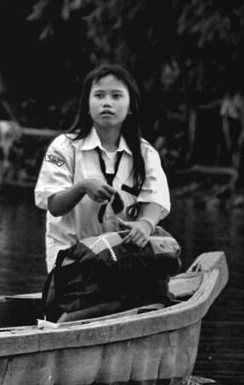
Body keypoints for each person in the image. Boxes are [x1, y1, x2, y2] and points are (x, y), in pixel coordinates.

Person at [34, 64, 171, 272]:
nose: (107, 103)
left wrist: (144, 225)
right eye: (99, 96)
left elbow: (155, 199)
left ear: (131, 106)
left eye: (116, 96)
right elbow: (54, 205)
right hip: (72, 260)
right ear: (87, 106)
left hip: (124, 257)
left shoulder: (145, 153)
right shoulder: (63, 148)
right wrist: (82, 187)